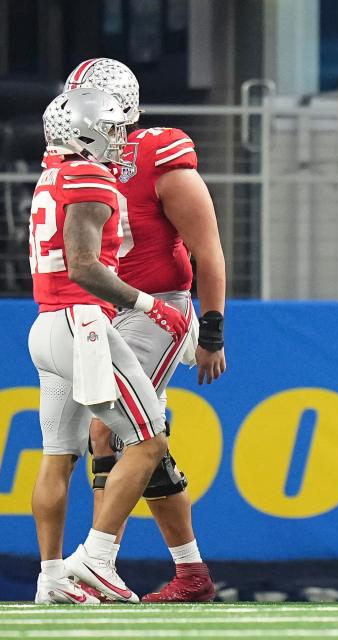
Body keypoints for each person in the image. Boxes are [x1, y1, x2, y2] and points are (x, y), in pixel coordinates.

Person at [61, 58, 227, 602]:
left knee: (110, 429)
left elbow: (207, 248)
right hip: (109, 310)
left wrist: (211, 330)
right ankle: (190, 573)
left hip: (161, 307)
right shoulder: (79, 158)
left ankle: (97, 560)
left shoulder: (158, 152)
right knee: (133, 434)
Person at [30, 88, 188, 603]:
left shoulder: (50, 173)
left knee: (57, 456)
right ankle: (96, 558)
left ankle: (51, 576)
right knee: (149, 439)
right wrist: (150, 306)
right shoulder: (88, 173)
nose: (120, 139)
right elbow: (84, 266)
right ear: (84, 131)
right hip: (83, 324)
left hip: (46, 324)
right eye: (113, 128)